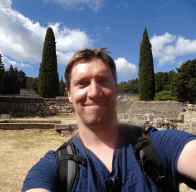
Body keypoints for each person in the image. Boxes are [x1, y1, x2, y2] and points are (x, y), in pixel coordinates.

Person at [22, 48, 196, 192]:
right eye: (82, 83)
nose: (94, 92)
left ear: (116, 88)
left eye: (103, 80)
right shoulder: (53, 168)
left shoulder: (159, 146)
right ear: (69, 94)